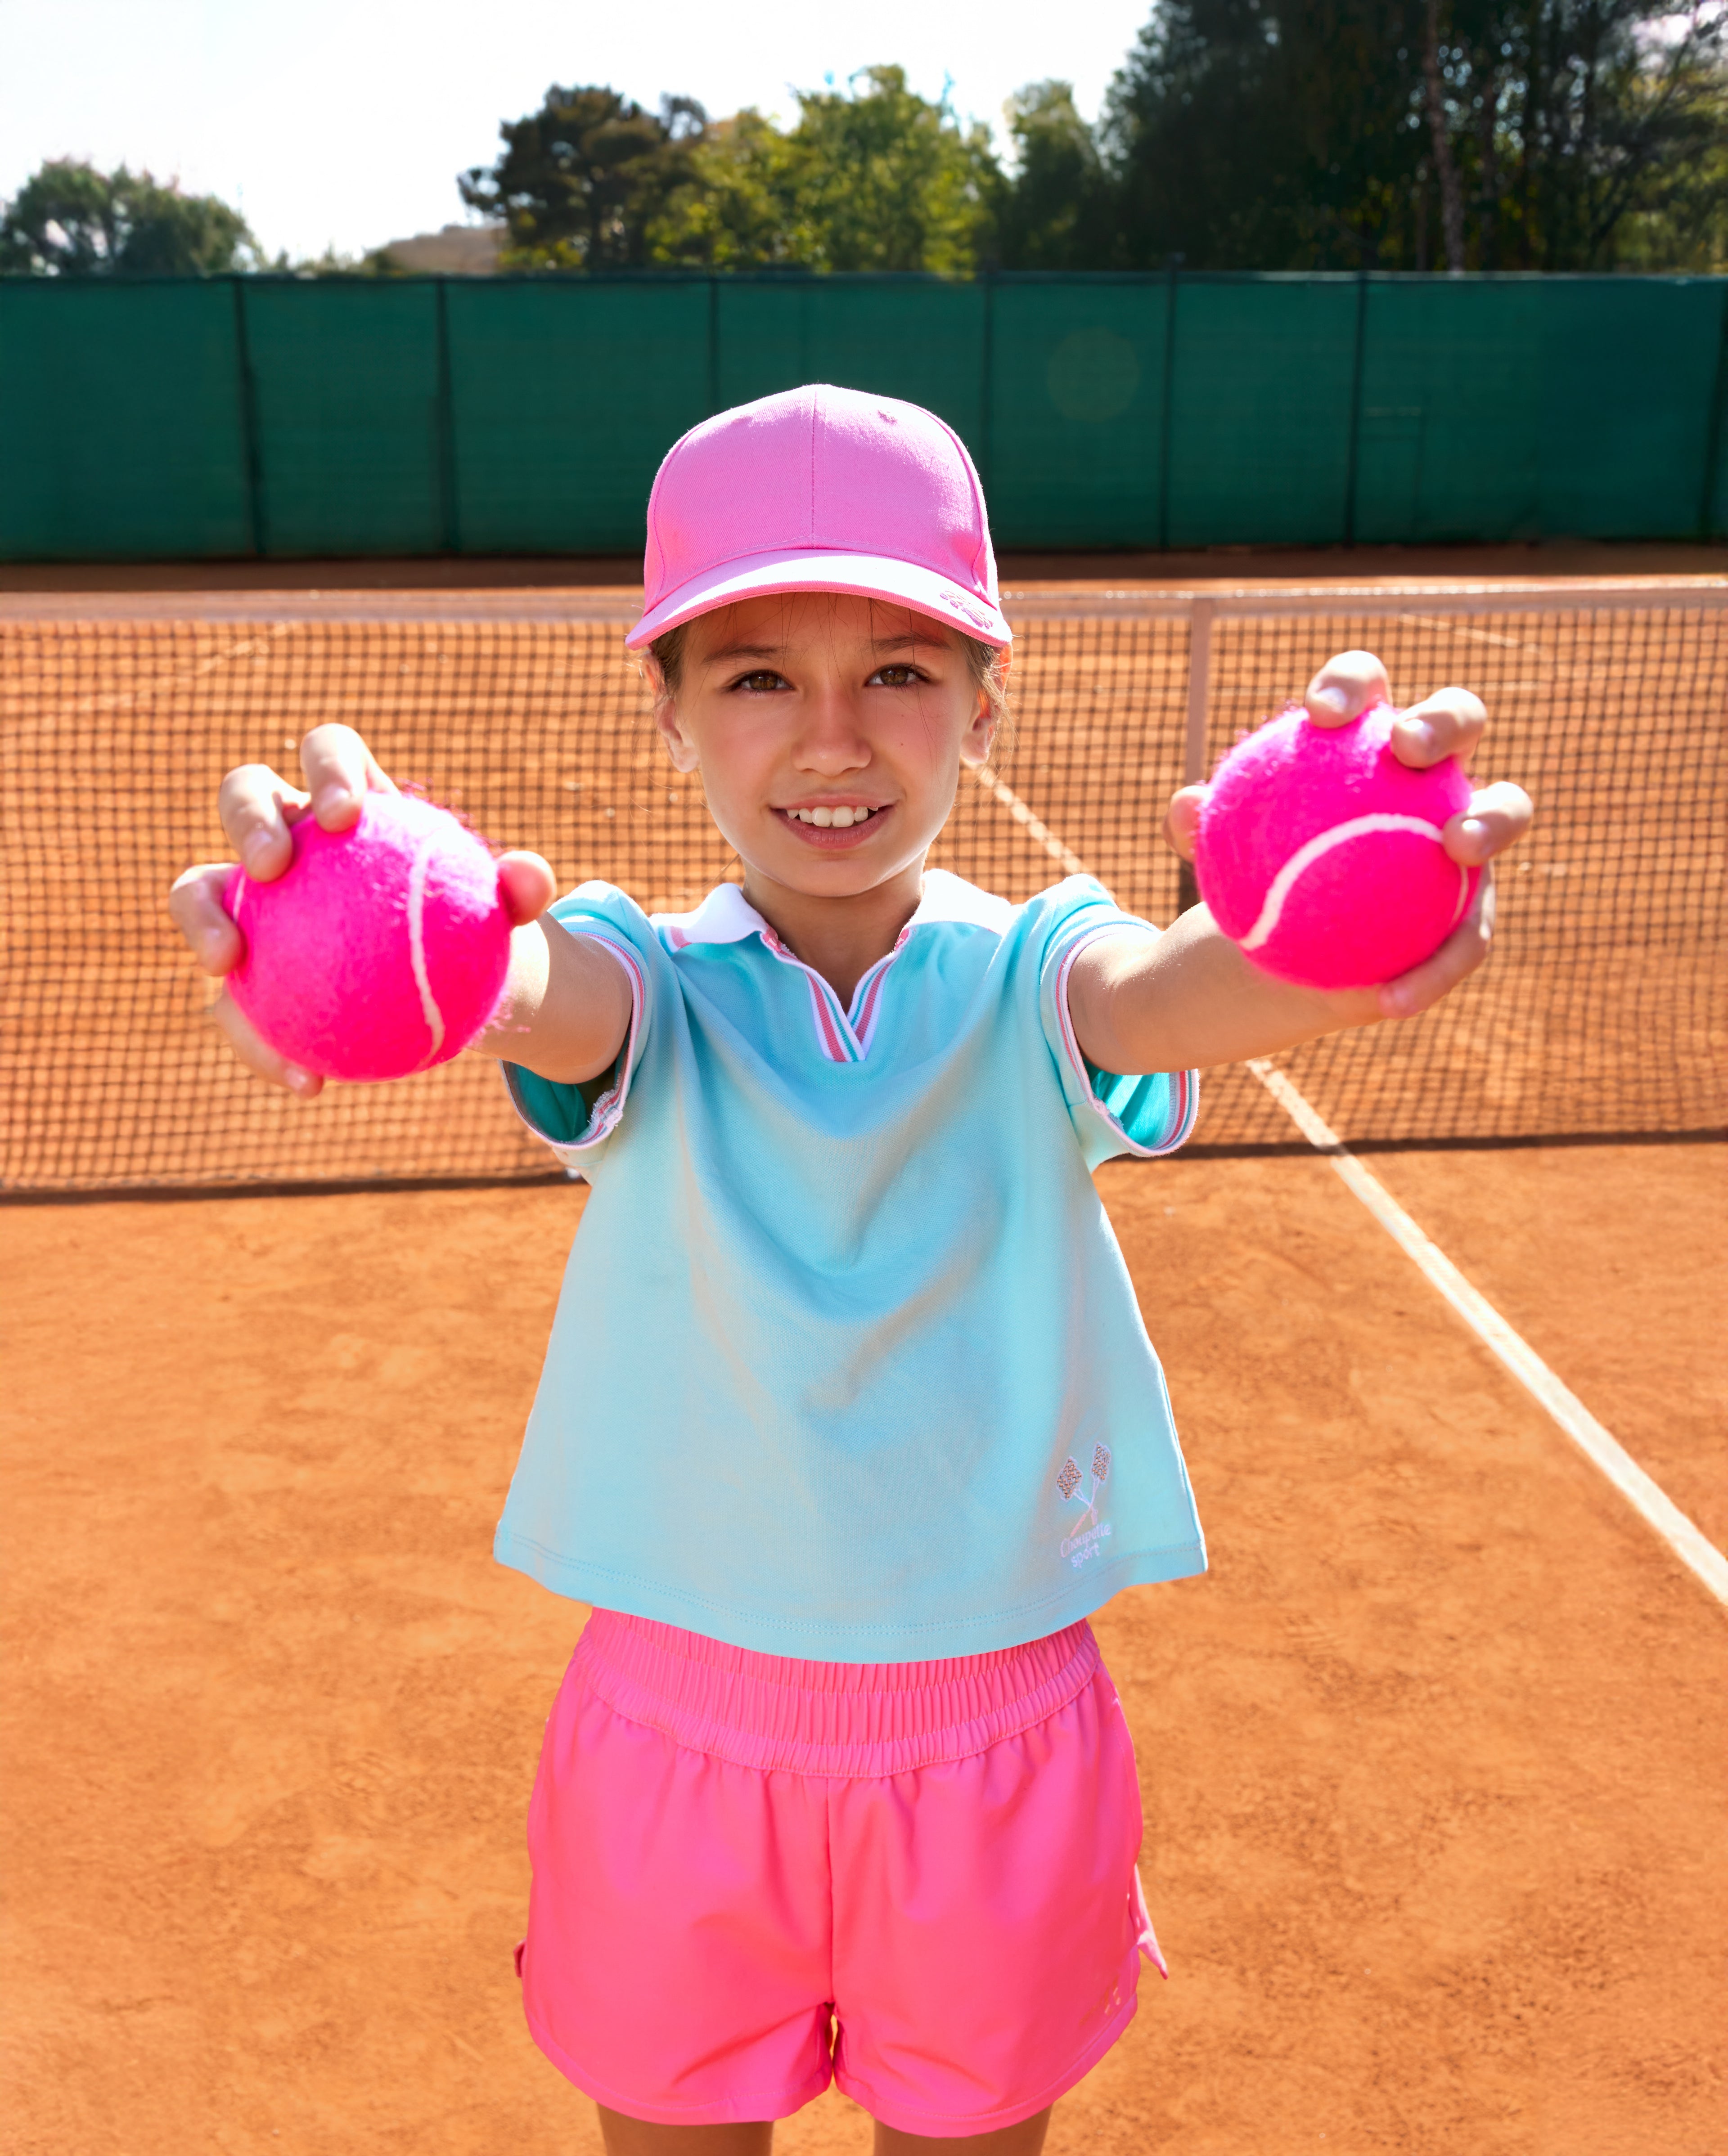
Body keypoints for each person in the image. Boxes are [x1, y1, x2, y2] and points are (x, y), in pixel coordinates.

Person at [168, 385, 1532, 2155]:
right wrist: (419, 935)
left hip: (999, 1752)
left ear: (988, 695)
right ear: (669, 714)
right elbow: (542, 998)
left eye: (897, 668)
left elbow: (1162, 993)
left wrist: (1316, 941)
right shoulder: (638, 975)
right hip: (672, 1743)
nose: (832, 738)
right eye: (755, 677)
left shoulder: (1043, 968)